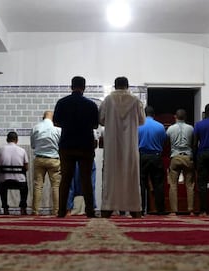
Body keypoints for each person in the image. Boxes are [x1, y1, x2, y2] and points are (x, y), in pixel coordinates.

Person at [99, 76, 145, 218]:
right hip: (130, 145)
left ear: (115, 85)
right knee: (131, 176)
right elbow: (142, 121)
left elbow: (101, 120)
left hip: (112, 146)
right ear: (127, 86)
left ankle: (108, 206)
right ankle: (133, 207)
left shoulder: (107, 100)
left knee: (111, 176)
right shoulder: (136, 100)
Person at [53, 76, 99, 218]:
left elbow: (56, 122)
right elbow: (95, 125)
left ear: (71, 86)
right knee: (86, 179)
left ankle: (61, 211)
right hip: (85, 145)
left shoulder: (62, 102)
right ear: (84, 87)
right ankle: (90, 211)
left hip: (67, 145)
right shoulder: (91, 105)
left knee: (66, 179)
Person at [30, 111, 61, 216]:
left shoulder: (36, 127)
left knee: (38, 186)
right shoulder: (58, 130)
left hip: (40, 159)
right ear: (53, 119)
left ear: (43, 117)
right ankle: (56, 211)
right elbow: (61, 146)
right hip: (54, 160)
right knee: (55, 186)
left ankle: (35, 211)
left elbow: (33, 145)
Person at [139, 106, 167, 215]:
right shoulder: (160, 127)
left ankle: (141, 209)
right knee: (158, 184)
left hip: (142, 156)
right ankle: (160, 209)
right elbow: (164, 141)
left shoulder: (138, 125)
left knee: (142, 183)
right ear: (154, 115)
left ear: (143, 114)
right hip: (156, 156)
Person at [166, 109, 195, 216]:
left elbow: (166, 141)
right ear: (185, 117)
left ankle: (174, 210)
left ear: (175, 117)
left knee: (173, 184)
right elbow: (194, 142)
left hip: (175, 157)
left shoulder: (170, 129)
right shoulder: (191, 128)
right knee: (189, 185)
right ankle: (190, 210)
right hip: (187, 157)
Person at [0, 131, 29, 215]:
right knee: (25, 188)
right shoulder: (22, 150)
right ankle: (22, 208)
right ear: (17, 140)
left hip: (4, 181)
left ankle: (5, 209)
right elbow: (26, 168)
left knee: (2, 186)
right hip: (20, 182)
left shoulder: (0, 150)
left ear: (7, 139)